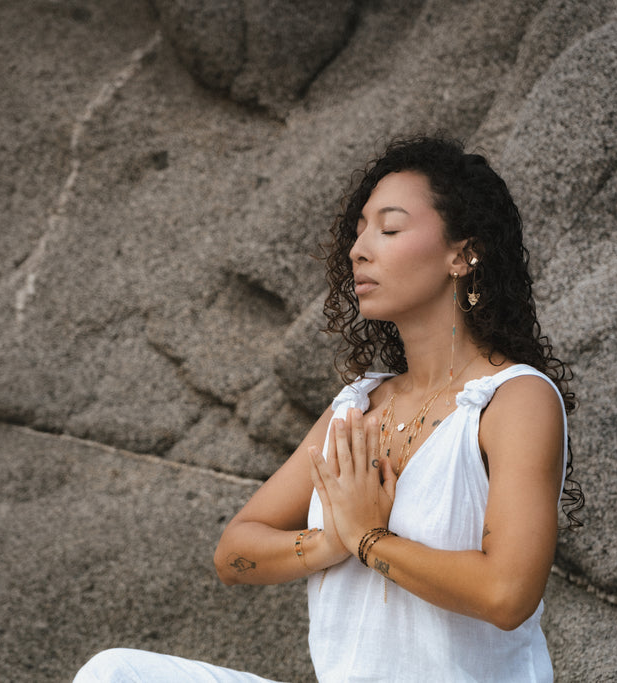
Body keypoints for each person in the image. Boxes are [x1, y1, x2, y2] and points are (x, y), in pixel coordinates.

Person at [74, 134, 583, 682]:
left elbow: (508, 594)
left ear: (463, 254)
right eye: (360, 229)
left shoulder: (512, 399)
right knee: (115, 673)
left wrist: (370, 540)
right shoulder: (361, 404)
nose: (359, 248)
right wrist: (329, 543)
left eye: (388, 228)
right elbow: (234, 553)